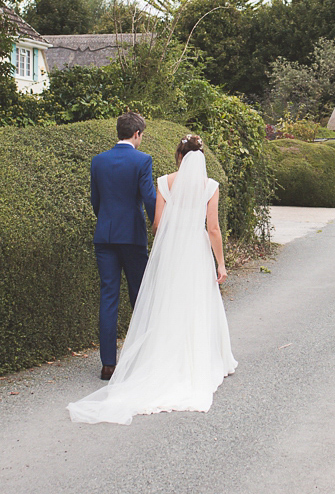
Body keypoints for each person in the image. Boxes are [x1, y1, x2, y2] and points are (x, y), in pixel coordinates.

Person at [68, 134, 237, 425]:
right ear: (201, 158)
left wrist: (168, 242)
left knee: (168, 303)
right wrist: (220, 263)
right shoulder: (210, 186)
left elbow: (157, 223)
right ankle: (201, 359)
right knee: (196, 301)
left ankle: (157, 360)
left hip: (171, 251)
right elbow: (213, 228)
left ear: (179, 156)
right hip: (195, 250)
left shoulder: (164, 182)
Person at [88, 112, 157, 381]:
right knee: (139, 295)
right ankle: (141, 357)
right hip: (132, 237)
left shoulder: (99, 161)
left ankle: (108, 365)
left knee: (108, 297)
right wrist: (158, 226)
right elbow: (149, 197)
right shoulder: (142, 160)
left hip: (104, 236)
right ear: (137, 133)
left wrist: (106, 222)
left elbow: (96, 200)